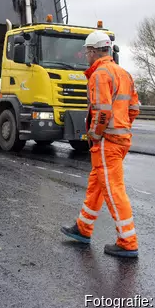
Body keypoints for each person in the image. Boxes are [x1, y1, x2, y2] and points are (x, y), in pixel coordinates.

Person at [61, 30, 141, 258]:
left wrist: (95, 134)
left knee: (113, 190)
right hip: (120, 139)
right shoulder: (123, 74)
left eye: (87, 51)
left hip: (107, 142)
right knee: (97, 184)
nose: (86, 55)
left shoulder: (99, 74)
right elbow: (134, 109)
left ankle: (128, 242)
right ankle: (83, 229)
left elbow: (102, 111)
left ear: (94, 51)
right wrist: (122, 126)